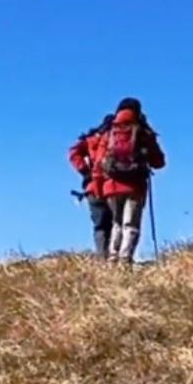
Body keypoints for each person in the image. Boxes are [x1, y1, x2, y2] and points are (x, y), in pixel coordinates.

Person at [99, 98, 166, 265]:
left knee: (116, 223)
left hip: (112, 186)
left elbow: (100, 159)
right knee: (131, 224)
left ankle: (112, 258)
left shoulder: (110, 131)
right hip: (135, 185)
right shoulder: (143, 131)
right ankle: (125, 259)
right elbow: (159, 161)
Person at [68, 116, 115, 258]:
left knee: (100, 225)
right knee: (116, 223)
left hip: (92, 188)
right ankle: (115, 259)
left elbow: (73, 153)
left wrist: (85, 172)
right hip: (112, 186)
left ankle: (102, 259)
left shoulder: (90, 140)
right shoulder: (114, 140)